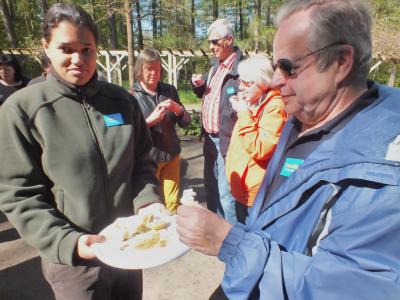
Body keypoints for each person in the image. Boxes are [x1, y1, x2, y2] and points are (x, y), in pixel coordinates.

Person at [177, 0, 400, 299]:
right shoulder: (306, 114)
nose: (276, 79)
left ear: (341, 61)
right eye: (275, 64)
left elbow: (351, 289)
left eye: (288, 66)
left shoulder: (385, 176)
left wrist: (231, 243)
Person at [0, 3, 163, 300]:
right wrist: (68, 242)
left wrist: (148, 201)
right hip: (74, 261)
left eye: (86, 49)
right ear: (46, 47)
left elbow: (142, 162)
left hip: (127, 248)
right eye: (66, 48)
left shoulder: (121, 102)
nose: (78, 59)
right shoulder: (23, 110)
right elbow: (19, 195)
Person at [191, 18, 243, 224]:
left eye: (215, 42)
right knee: (211, 189)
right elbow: (206, 94)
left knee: (226, 194)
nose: (211, 47)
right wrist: (198, 85)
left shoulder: (241, 69)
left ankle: (233, 240)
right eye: (210, 42)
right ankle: (216, 232)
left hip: (227, 141)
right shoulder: (215, 67)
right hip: (210, 140)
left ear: (229, 39)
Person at [226, 54, 287, 223]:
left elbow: (262, 148)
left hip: (255, 194)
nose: (241, 87)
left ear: (263, 82)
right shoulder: (253, 101)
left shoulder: (274, 106)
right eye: (240, 81)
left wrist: (244, 113)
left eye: (247, 82)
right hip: (242, 190)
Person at [131, 48, 191, 214]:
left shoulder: (169, 90)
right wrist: (149, 121)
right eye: (149, 69)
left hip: (172, 156)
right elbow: (128, 133)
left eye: (157, 69)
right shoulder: (131, 95)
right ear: (140, 70)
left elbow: (186, 122)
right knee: (153, 207)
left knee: (172, 204)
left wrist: (178, 109)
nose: (154, 73)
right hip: (149, 161)